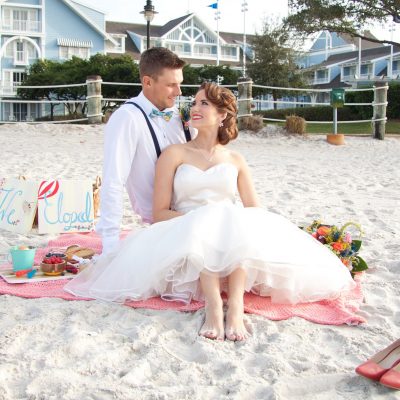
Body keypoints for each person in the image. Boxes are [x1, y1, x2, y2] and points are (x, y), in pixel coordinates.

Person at [65, 83, 356, 342]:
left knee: (230, 220)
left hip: (229, 231)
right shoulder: (174, 154)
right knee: (210, 220)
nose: (195, 107)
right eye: (194, 102)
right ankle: (214, 304)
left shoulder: (236, 159)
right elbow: (159, 211)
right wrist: (202, 219)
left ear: (223, 115)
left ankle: (237, 305)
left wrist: (225, 220)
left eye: (204, 103)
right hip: (185, 228)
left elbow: (255, 211)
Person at [95, 47, 195, 256]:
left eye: (180, 84)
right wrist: (110, 246)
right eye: (171, 85)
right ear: (147, 82)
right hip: (162, 227)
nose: (179, 92)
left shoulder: (182, 116)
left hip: (195, 215)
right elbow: (113, 182)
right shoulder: (127, 118)